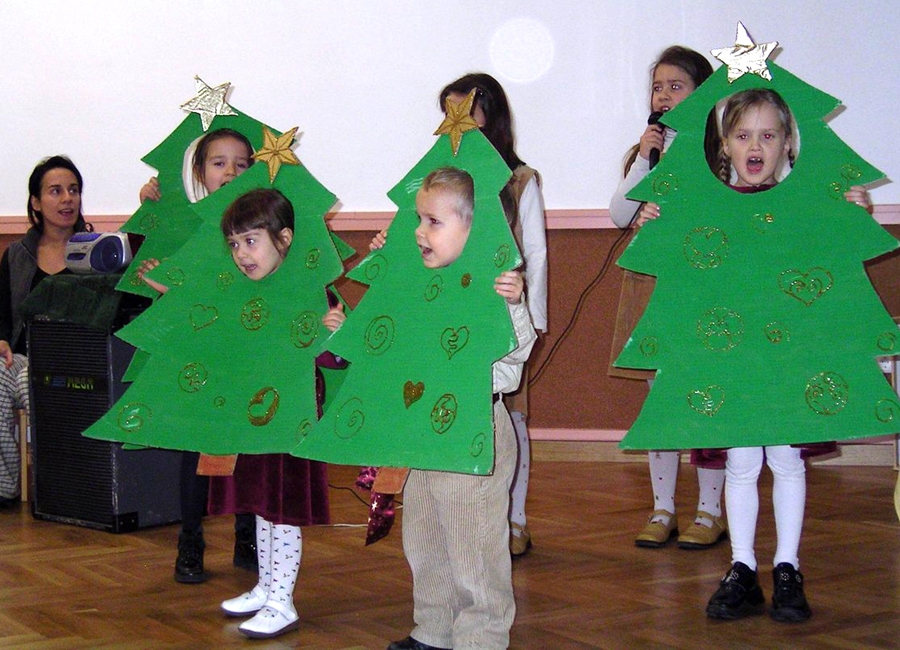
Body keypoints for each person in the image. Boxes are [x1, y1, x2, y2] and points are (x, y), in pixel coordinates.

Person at [638, 88, 873, 622]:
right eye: (743, 135)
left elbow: (835, 258)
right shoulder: (708, 205)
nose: (756, 146)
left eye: (769, 135)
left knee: (787, 460)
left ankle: (787, 567)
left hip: (788, 358)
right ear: (725, 144)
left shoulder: (805, 203)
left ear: (788, 143)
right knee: (742, 464)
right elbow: (683, 265)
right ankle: (742, 567)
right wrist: (658, 222)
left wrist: (852, 213)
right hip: (733, 358)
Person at [360, 167, 536, 650]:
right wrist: (387, 263)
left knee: (473, 541)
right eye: (419, 219)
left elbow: (515, 357)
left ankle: (481, 636)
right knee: (426, 535)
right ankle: (434, 629)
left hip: (475, 429)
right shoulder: (422, 279)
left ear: (477, 229)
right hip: (424, 430)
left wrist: (515, 304)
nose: (419, 231)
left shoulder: (497, 289)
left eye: (433, 222)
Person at [608, 46, 728, 550]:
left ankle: (710, 511)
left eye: (676, 86)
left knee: (705, 397)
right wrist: (643, 157)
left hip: (703, 291)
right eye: (657, 87)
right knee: (659, 399)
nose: (663, 95)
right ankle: (662, 509)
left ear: (703, 93)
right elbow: (619, 213)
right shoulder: (645, 154)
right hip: (655, 289)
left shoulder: (721, 153)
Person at [209, 188, 336, 639]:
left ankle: (283, 600)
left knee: (282, 509)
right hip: (258, 419)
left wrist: (335, 334)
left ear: (284, 239)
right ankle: (267, 587)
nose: (242, 254)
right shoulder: (249, 294)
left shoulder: (308, 291)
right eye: (234, 244)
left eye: (251, 241)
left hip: (291, 421)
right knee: (262, 506)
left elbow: (331, 358)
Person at [137, 128, 257, 582]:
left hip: (246, 355)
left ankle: (247, 535)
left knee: (248, 448)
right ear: (200, 172)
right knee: (196, 450)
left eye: (241, 164)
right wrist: (152, 204)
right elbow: (174, 273)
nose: (230, 172)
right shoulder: (191, 223)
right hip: (202, 356)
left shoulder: (261, 223)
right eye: (219, 163)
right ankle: (190, 539)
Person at [438, 73, 547, 557]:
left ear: (491, 117)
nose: (456, 123)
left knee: (509, 417)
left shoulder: (519, 180)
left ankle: (514, 519)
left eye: (466, 112)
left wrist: (529, 315)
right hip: (453, 318)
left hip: (507, 310)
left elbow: (535, 253)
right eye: (448, 113)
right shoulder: (441, 181)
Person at [0, 156, 91, 506]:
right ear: (36, 203)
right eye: (56, 191)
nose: (68, 199)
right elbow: (2, 313)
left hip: (78, 361)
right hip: (25, 357)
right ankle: (5, 486)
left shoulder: (98, 250)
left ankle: (60, 484)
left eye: (74, 190)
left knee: (32, 381)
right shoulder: (17, 255)